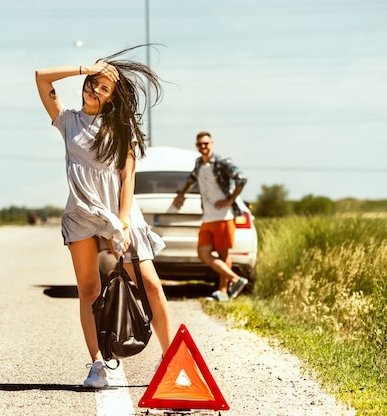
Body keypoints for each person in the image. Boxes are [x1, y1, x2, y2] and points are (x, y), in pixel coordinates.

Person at [35, 46, 173, 389]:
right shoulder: (67, 120)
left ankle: (170, 358)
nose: (93, 90)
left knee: (150, 284)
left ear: (112, 98)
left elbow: (128, 178)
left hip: (120, 215)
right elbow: (41, 77)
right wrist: (87, 67)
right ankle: (97, 365)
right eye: (91, 83)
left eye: (102, 88)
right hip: (81, 214)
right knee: (88, 289)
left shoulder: (120, 128)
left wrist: (123, 222)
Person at [172, 131, 249, 301]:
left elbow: (241, 179)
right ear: (196, 146)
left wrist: (230, 200)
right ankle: (236, 279)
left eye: (206, 144)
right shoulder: (199, 163)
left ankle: (223, 292)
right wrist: (181, 194)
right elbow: (192, 178)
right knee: (203, 252)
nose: (203, 147)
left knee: (223, 255)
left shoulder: (222, 163)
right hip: (208, 217)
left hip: (223, 216)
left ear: (212, 144)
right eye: (200, 144)